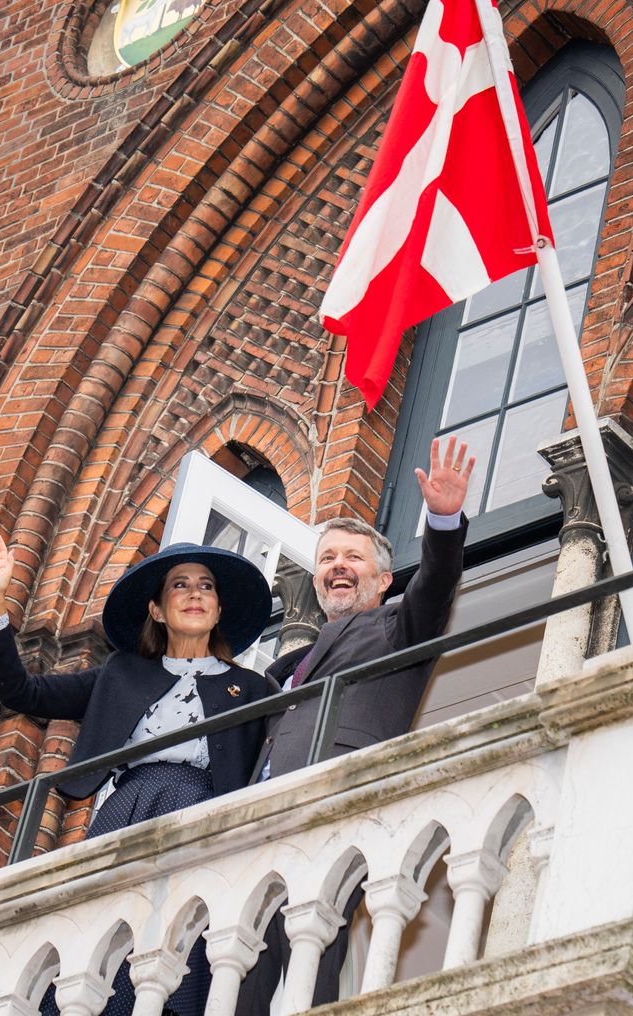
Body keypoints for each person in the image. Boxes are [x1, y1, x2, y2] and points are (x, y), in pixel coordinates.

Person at [0, 531, 279, 1016]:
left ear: (220, 609)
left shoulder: (254, 687)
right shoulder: (122, 673)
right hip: (127, 808)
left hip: (203, 811)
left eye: (206, 586)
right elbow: (24, 694)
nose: (195, 594)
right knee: (101, 935)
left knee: (179, 937)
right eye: (180, 585)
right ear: (157, 609)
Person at [238, 434, 473, 1014]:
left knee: (314, 943)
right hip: (259, 814)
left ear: (383, 579)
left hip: (336, 801)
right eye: (326, 560)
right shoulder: (289, 663)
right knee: (246, 956)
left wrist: (442, 523)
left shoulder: (398, 627)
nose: (337, 567)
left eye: (352, 558)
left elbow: (436, 585)